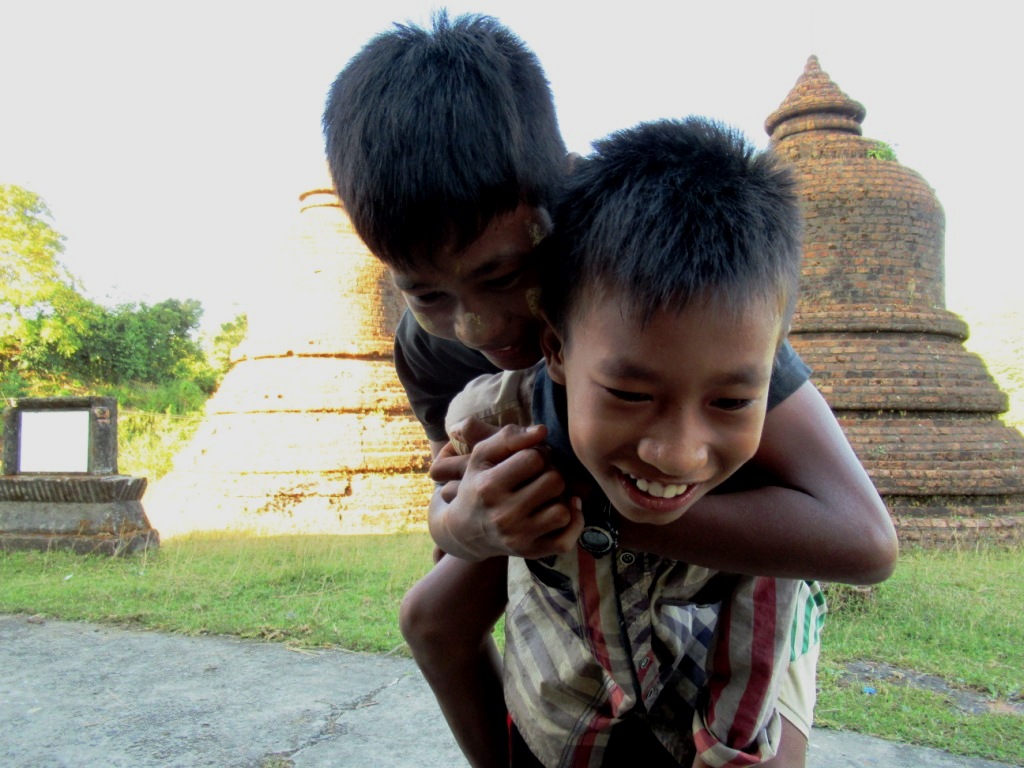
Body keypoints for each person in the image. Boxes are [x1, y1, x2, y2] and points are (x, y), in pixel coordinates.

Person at [322, 13, 897, 767]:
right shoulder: (431, 349)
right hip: (561, 544)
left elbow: (862, 536)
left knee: (752, 712)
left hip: (726, 543)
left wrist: (587, 503)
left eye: (500, 276)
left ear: (558, 193)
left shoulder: (656, 292)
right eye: (426, 293)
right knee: (430, 617)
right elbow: (458, 485)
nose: (475, 325)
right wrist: (463, 525)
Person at [444, 115, 815, 767]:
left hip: (692, 728)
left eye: (730, 401)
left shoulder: (769, 486)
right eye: (630, 395)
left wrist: (731, 750)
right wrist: (460, 524)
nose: (678, 453)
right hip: (553, 721)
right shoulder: (498, 415)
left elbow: (763, 632)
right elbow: (450, 489)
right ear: (555, 349)